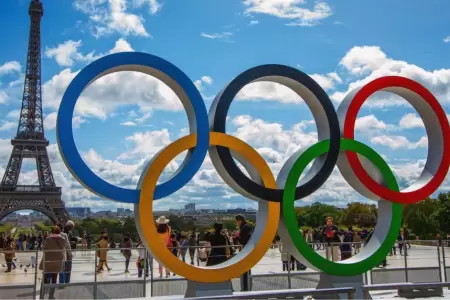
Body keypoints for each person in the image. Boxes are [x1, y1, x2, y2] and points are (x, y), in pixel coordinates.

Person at [40, 226, 67, 300]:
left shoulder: (48, 239)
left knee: (44, 279)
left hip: (47, 261)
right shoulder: (63, 239)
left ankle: (41, 295)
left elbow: (44, 248)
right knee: (54, 279)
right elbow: (63, 248)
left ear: (52, 232)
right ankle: (51, 296)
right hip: (57, 262)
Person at [236, 215, 253, 291]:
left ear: (239, 220)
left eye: (236, 221)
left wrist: (236, 237)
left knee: (245, 269)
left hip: (246, 250)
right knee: (246, 269)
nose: (236, 223)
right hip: (247, 250)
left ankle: (245, 286)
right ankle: (246, 285)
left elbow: (243, 241)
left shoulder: (245, 227)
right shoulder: (247, 226)